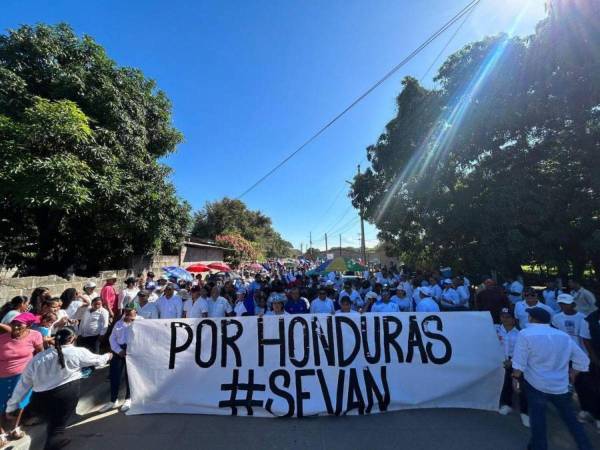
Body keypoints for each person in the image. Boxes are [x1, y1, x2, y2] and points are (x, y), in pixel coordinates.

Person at [6, 327, 111, 450]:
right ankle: (53, 442)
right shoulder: (77, 352)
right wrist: (108, 355)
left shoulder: (38, 358)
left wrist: (11, 406)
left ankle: (53, 435)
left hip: (40, 400)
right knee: (57, 428)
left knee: (51, 421)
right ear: (72, 338)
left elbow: (23, 384)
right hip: (65, 396)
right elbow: (98, 361)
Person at [512, 307, 592, 450]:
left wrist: (515, 379)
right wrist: (573, 373)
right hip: (560, 385)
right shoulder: (562, 335)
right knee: (571, 420)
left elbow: (519, 363)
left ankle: (538, 447)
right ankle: (585, 446)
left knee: (538, 420)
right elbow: (583, 360)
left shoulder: (525, 334)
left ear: (532, 318)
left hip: (536, 384)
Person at [0, 313, 44, 445]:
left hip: (24, 376)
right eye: (13, 323)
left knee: (20, 403)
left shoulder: (35, 335)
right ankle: (1, 433)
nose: (15, 327)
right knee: (1, 405)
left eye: (19, 324)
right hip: (2, 376)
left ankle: (15, 428)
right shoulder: (2, 339)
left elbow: (40, 353)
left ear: (28, 325)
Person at [99, 308, 138, 413]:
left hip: (132, 351)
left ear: (135, 314)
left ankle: (128, 399)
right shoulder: (118, 323)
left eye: (131, 315)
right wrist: (118, 350)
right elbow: (112, 338)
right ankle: (113, 400)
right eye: (126, 314)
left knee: (129, 376)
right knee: (114, 375)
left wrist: (131, 350)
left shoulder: (140, 322)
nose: (128, 317)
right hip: (118, 351)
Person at [496, 308, 529, 427]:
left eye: (508, 317)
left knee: (519, 387)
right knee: (505, 384)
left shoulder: (521, 333)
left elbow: (523, 350)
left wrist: (512, 361)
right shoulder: (496, 330)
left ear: (514, 319)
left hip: (516, 363)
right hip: (501, 361)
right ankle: (506, 404)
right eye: (502, 316)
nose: (505, 319)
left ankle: (525, 412)